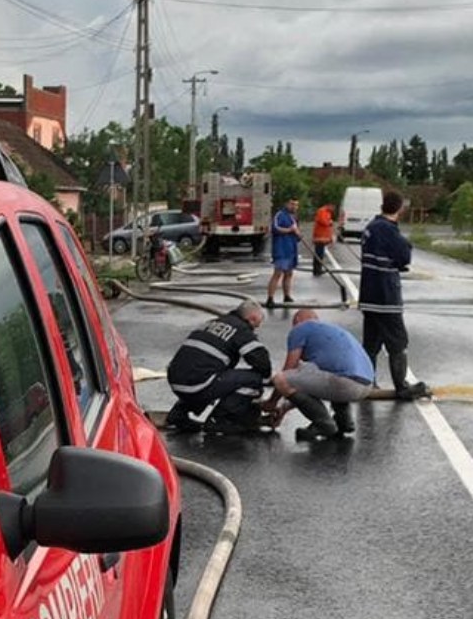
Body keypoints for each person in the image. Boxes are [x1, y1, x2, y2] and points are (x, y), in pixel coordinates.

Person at [264, 307, 375, 441]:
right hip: (366, 385)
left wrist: (272, 402)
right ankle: (344, 422)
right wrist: (284, 409)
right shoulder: (333, 332)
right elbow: (308, 387)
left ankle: (324, 424)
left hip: (345, 384)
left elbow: (288, 371)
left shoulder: (300, 328)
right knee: (329, 375)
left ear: (298, 320)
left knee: (281, 379)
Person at [357, 187, 425, 401]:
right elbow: (404, 255)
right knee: (398, 342)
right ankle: (401, 386)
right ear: (400, 209)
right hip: (386, 296)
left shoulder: (370, 227)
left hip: (368, 295)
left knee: (371, 343)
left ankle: (368, 381)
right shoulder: (387, 229)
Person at [163, 301, 269, 435]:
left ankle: (179, 413)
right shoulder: (241, 329)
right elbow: (262, 362)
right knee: (254, 380)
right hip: (197, 385)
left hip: (177, 381)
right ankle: (220, 420)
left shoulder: (212, 323)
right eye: (256, 325)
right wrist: (269, 381)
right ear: (252, 319)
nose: (255, 330)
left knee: (210, 374)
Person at [267, 201, 303, 308]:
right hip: (281, 249)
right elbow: (275, 228)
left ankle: (287, 295)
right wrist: (289, 230)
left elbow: (297, 234)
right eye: (292, 204)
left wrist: (298, 234)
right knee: (277, 273)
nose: (294, 207)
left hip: (291, 250)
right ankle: (270, 298)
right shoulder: (280, 215)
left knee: (289, 274)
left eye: (296, 205)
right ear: (287, 204)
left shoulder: (294, 218)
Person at [310, 198, 339, 279]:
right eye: (333, 207)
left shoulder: (327, 212)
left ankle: (319, 269)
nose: (333, 209)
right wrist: (330, 222)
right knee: (318, 254)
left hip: (323, 237)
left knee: (321, 254)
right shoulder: (322, 211)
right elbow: (324, 222)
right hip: (319, 237)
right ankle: (317, 270)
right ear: (329, 205)